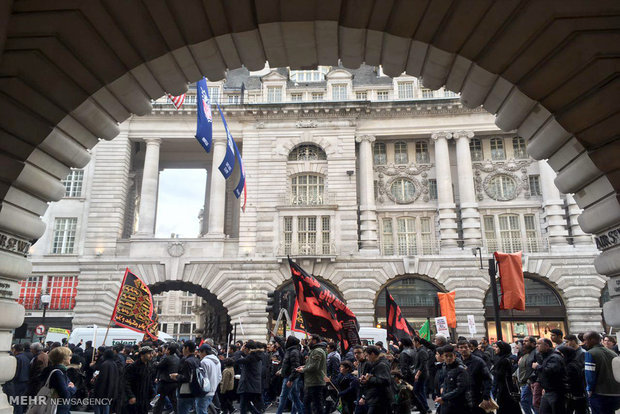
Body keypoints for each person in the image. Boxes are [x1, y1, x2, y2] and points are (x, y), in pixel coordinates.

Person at [584, 331, 620, 414]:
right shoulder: (613, 353)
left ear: (592, 340)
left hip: (599, 393)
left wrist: (589, 390)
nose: (584, 342)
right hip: (614, 392)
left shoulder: (590, 353)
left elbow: (590, 376)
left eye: (585, 340)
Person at [457, 339, 491, 414]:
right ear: (458, 349)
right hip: (462, 397)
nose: (464, 349)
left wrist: (486, 396)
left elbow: (487, 379)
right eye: (461, 347)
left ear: (470, 348)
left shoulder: (478, 361)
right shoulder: (457, 362)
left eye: (466, 347)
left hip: (477, 395)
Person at [40, 346, 76, 414]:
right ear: (63, 358)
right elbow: (65, 394)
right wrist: (72, 388)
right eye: (69, 355)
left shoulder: (54, 370)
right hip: (57, 408)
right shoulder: (58, 372)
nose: (70, 358)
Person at [296, 334, 327, 414]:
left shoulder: (317, 351)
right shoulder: (314, 350)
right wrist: (303, 366)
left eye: (309, 340)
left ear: (314, 340)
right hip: (312, 381)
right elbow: (311, 364)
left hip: (316, 381)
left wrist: (303, 369)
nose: (307, 341)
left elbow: (314, 366)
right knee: (312, 403)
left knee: (315, 404)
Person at [434, 345, 470, 414]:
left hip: (459, 405)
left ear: (455, 356)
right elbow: (445, 381)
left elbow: (460, 388)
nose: (449, 358)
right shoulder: (444, 367)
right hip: (446, 404)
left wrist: (444, 398)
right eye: (446, 356)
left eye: (451, 356)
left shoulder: (461, 369)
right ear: (443, 357)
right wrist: (442, 387)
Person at [535, 337, 566, 414]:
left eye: (539, 344)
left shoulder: (554, 357)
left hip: (556, 391)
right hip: (547, 390)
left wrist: (537, 367)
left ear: (547, 346)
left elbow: (550, 371)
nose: (537, 346)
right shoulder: (546, 356)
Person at [358, 345, 392, 414]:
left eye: (367, 355)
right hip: (375, 398)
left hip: (380, 398)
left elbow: (385, 381)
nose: (366, 358)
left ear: (372, 354)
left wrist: (369, 379)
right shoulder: (375, 363)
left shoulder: (381, 364)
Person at [171, 341, 202, 414]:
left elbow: (186, 378)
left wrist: (176, 376)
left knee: (183, 411)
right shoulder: (197, 360)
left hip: (185, 391)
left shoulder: (187, 361)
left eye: (183, 348)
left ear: (187, 348)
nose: (182, 350)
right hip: (195, 390)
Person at [276, 335, 304, 414]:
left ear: (290, 342)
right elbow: (282, 343)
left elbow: (295, 367)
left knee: (283, 397)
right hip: (290, 376)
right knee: (295, 397)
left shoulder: (293, 352)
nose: (286, 341)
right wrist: (275, 336)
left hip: (289, 377)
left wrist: (291, 379)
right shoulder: (289, 349)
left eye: (287, 340)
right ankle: (303, 411)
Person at [124, 346, 155, 414]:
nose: (151, 355)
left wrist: (152, 393)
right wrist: (131, 396)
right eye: (149, 353)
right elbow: (126, 382)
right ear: (142, 355)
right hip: (135, 397)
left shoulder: (149, 366)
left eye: (151, 353)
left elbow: (149, 381)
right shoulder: (133, 367)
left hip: (145, 399)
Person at [492, 341, 521, 414]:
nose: (494, 349)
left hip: (505, 390)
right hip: (505, 389)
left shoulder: (504, 361)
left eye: (497, 347)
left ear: (502, 349)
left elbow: (501, 376)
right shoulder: (502, 359)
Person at [556, 346, 587, 414]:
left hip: (573, 395)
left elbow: (569, 381)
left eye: (559, 354)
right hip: (577, 394)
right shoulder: (573, 363)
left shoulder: (570, 366)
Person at [237, 340, 264, 414]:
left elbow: (237, 360)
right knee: (247, 405)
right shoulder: (256, 356)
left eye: (245, 348)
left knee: (244, 406)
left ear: (248, 349)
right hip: (253, 385)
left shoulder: (251, 357)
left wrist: (239, 351)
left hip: (248, 385)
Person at [153, 343, 179, 414]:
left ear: (169, 350)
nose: (164, 350)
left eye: (166, 349)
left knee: (159, 399)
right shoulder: (177, 358)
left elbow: (159, 366)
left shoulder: (167, 358)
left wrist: (154, 362)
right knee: (174, 400)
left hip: (164, 383)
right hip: (174, 383)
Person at [93, 348, 120, 414]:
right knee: (106, 405)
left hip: (103, 389)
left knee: (98, 405)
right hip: (110, 388)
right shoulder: (114, 364)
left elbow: (102, 378)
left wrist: (95, 379)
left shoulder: (105, 364)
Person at [198, 343, 222, 413]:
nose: (199, 354)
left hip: (204, 391)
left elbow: (202, 378)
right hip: (213, 390)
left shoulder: (204, 362)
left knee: (201, 410)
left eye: (200, 352)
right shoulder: (217, 361)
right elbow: (220, 377)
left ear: (204, 352)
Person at [516, 336, 537, 414]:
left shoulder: (535, 353)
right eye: (523, 341)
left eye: (526, 341)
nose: (523, 343)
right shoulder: (525, 354)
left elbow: (534, 368)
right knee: (531, 402)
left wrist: (529, 380)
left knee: (525, 401)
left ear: (533, 343)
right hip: (524, 381)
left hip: (529, 381)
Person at [9, 344, 31, 414]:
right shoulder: (26, 358)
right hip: (25, 381)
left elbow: (16, 371)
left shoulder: (17, 358)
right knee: (20, 401)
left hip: (18, 382)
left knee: (15, 401)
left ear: (15, 350)